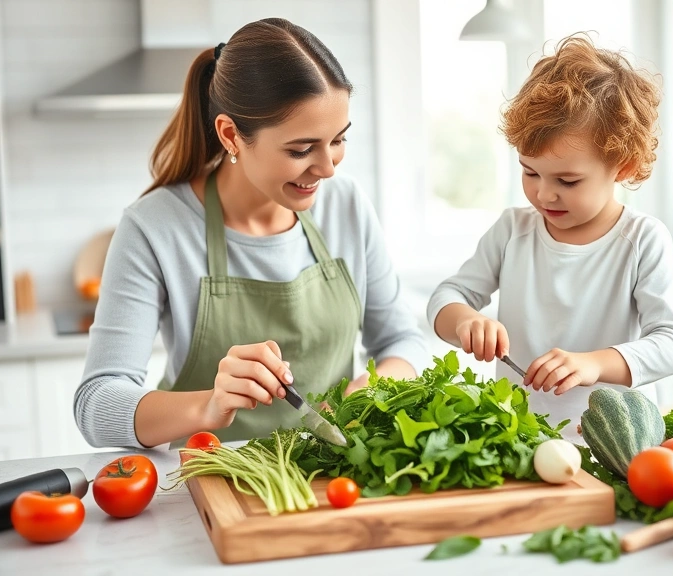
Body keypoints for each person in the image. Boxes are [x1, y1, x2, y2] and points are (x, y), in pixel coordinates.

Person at [74, 18, 427, 449]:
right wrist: (208, 406)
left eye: (338, 140)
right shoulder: (155, 227)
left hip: (329, 476)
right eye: (301, 150)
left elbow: (401, 339)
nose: (329, 168)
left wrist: (364, 394)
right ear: (231, 136)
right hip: (209, 485)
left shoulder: (346, 205)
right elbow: (96, 403)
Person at [427, 35, 673, 440]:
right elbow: (446, 297)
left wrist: (595, 364)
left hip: (614, 445)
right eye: (530, 172)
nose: (543, 193)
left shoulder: (642, 240)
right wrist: (467, 321)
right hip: (520, 438)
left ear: (623, 166)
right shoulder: (513, 231)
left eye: (567, 180)